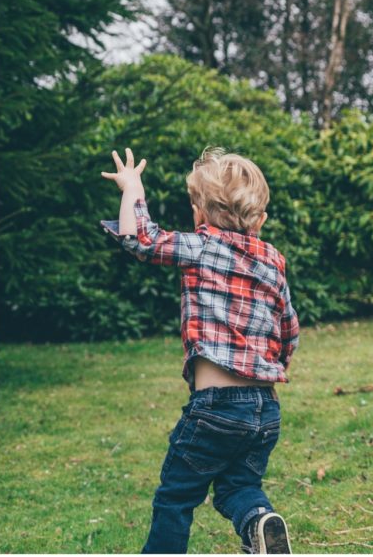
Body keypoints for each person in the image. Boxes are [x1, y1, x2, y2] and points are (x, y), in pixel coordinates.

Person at [101, 147, 299, 554]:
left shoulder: (201, 245)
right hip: (265, 410)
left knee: (176, 497)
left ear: (199, 213)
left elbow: (141, 240)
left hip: (215, 407)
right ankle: (260, 521)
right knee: (239, 486)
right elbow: (288, 327)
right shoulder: (274, 261)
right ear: (260, 220)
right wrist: (274, 370)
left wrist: (132, 188)